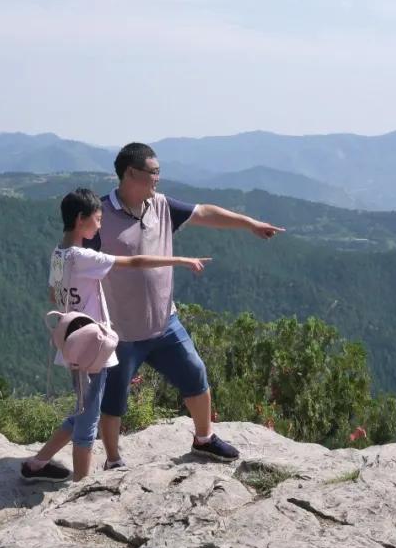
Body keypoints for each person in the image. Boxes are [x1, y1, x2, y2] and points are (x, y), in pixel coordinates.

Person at [94, 143, 284, 469]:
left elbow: (205, 212)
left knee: (195, 373)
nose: (158, 179)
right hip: (121, 330)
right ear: (130, 173)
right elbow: (75, 260)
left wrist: (249, 223)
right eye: (153, 173)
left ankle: (204, 439)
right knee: (113, 399)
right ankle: (113, 461)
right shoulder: (100, 215)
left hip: (165, 323)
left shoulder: (162, 206)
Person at [21, 188, 210, 483]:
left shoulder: (59, 254)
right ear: (81, 219)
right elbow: (133, 262)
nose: (100, 225)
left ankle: (37, 464)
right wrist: (181, 261)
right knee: (88, 418)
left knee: (85, 407)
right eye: (97, 220)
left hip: (71, 339)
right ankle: (80, 485)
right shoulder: (83, 256)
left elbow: (52, 295)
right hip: (91, 345)